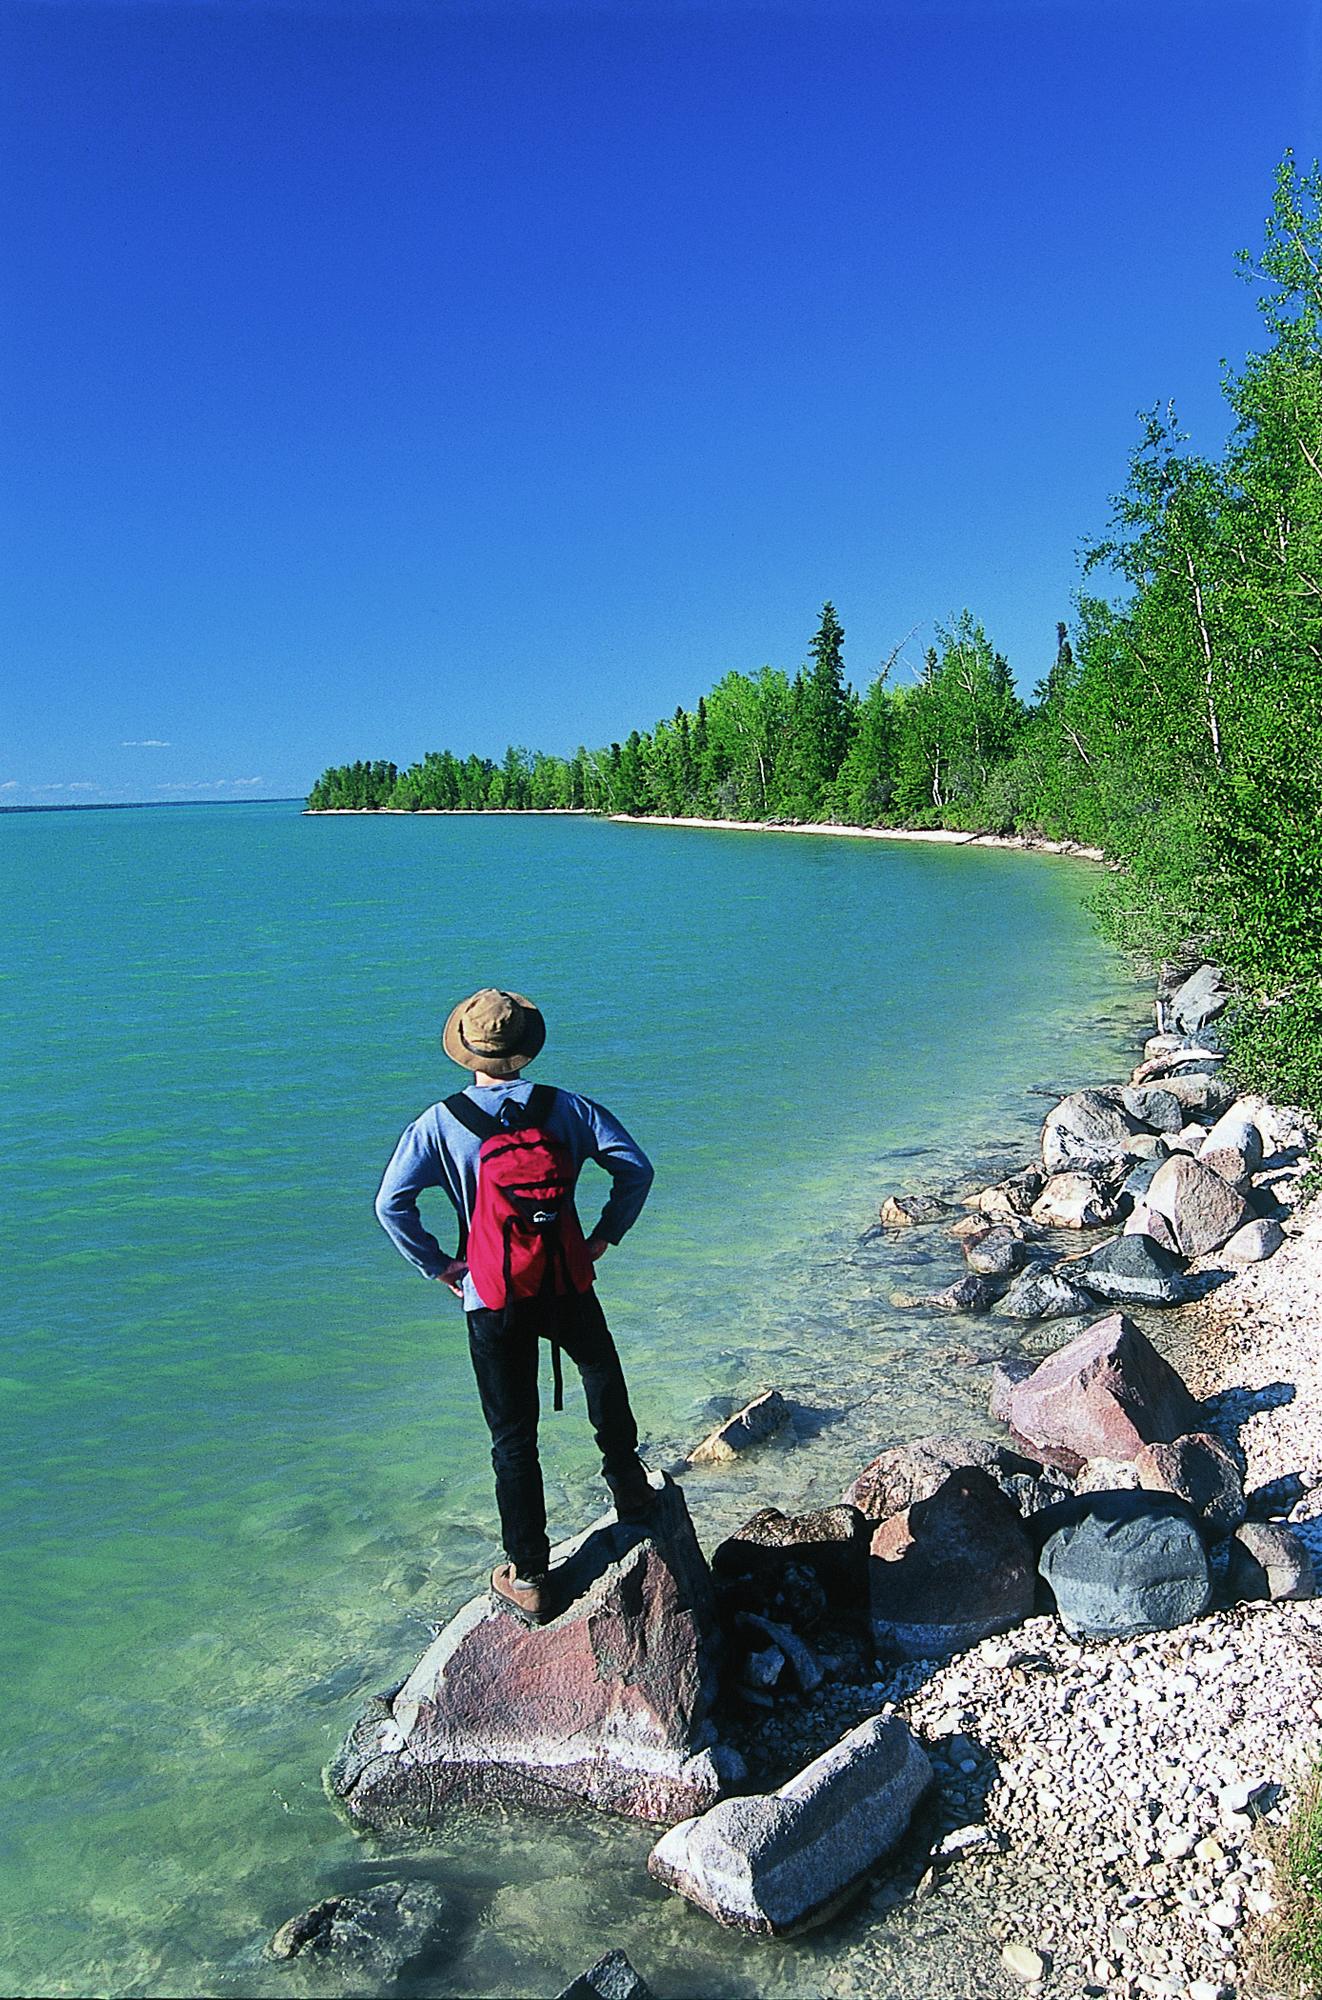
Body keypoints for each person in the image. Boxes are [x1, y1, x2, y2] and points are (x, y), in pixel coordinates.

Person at [374, 986, 656, 1625]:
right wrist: (603, 1236)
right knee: (601, 1373)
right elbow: (635, 1169)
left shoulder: (438, 1124)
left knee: (512, 1436)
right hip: (566, 1279)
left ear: (466, 1050)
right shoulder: (569, 1108)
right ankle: (630, 1488)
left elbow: (391, 1206)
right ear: (527, 1046)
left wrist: (440, 1265)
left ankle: (529, 1574)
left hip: (493, 1295)